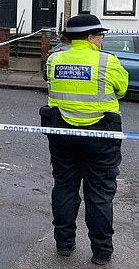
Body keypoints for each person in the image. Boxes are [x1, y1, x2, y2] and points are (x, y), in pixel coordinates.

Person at [42, 14, 128, 265]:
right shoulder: (107, 62)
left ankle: (64, 245)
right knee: (99, 194)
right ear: (91, 37)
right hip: (100, 137)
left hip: (62, 134)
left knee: (65, 189)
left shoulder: (54, 59)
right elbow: (121, 89)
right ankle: (101, 252)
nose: (102, 40)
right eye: (100, 35)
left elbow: (49, 82)